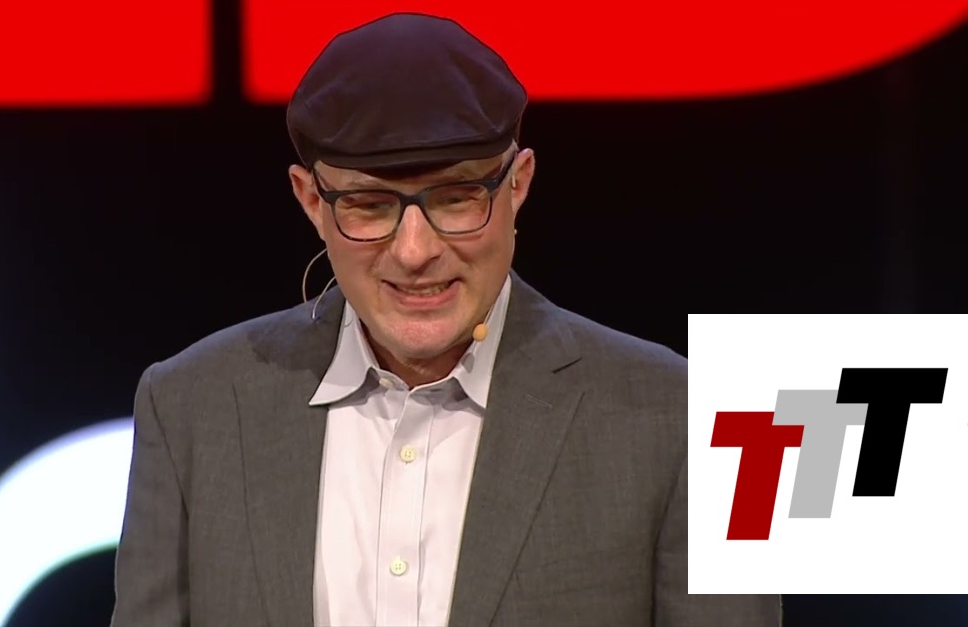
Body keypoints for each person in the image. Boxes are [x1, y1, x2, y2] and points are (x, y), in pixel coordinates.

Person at [109, 11, 781, 627]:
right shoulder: (188, 407)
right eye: (369, 205)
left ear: (517, 184)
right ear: (311, 200)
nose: (414, 251)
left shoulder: (699, 418)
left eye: (457, 198)